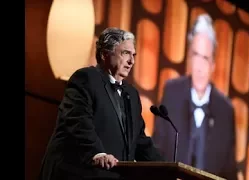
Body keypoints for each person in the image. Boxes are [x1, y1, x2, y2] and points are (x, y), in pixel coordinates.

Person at [39, 27, 163, 180]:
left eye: (133, 55)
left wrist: (167, 169)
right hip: (76, 173)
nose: (132, 61)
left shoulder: (131, 94)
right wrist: (97, 153)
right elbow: (78, 121)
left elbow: (139, 140)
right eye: (125, 53)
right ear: (105, 54)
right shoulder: (85, 79)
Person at [152, 14, 238, 180]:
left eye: (205, 58)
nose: (199, 67)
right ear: (189, 58)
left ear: (213, 64)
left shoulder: (226, 111)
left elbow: (229, 172)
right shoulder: (172, 92)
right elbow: (157, 152)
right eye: (195, 55)